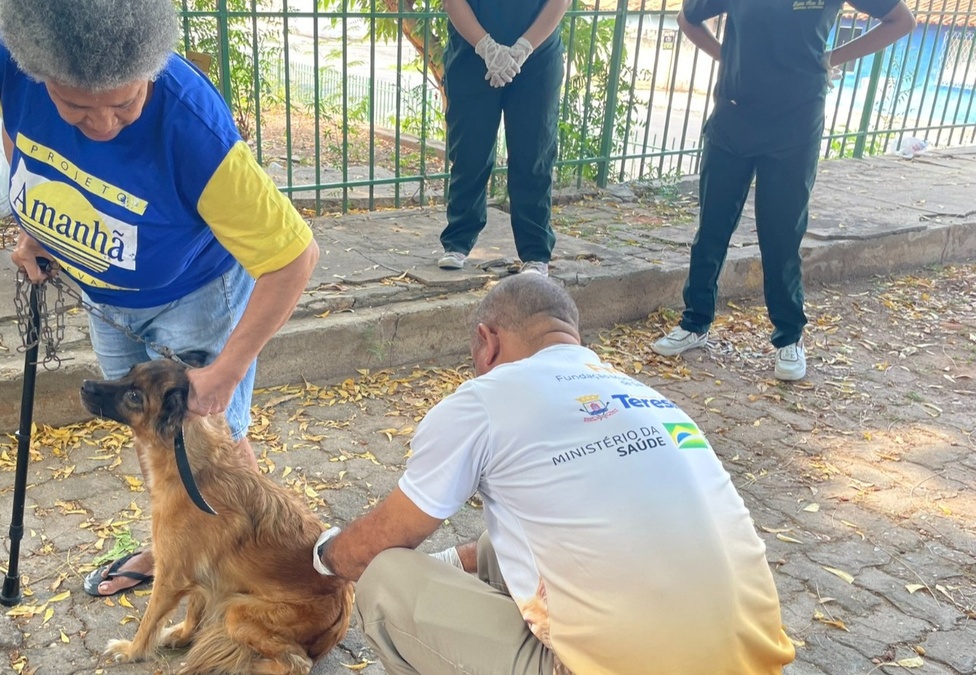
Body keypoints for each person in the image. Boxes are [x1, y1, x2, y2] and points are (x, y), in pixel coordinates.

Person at [0, 0, 319, 596]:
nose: (103, 125)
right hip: (105, 293)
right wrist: (34, 228)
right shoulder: (10, 66)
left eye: (123, 103)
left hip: (193, 297)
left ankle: (251, 566)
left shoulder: (192, 127)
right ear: (39, 75)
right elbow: (23, 146)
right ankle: (175, 549)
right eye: (76, 107)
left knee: (213, 446)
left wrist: (225, 371)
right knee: (147, 430)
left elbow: (294, 259)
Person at [311, 274, 796, 674]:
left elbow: (371, 549)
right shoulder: (647, 397)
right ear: (571, 336)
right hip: (757, 659)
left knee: (387, 577)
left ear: (487, 341)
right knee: (519, 529)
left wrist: (318, 557)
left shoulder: (484, 400)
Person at [651, 0, 916, 380]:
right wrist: (727, 58)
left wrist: (831, 58)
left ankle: (789, 336)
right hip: (734, 116)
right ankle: (694, 323)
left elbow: (901, 20)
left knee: (781, 234)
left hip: (795, 122)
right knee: (711, 230)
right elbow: (688, 17)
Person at [435, 0, 570, 277]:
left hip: (537, 55)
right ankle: (457, 241)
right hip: (471, 53)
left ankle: (535, 253)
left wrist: (523, 49)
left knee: (534, 154)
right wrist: (487, 48)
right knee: (469, 152)